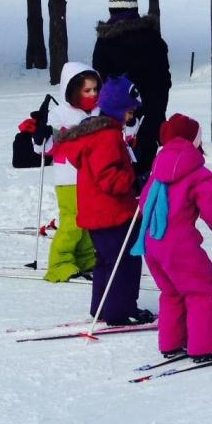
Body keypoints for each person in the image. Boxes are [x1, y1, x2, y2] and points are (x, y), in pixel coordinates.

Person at [133, 115, 212, 362]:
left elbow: (145, 202)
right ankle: (202, 347)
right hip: (180, 246)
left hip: (152, 243)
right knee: (202, 290)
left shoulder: (157, 170)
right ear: (194, 141)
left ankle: (170, 343)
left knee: (172, 292)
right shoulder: (198, 173)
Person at [53, 75, 152, 326]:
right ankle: (119, 311)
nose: (132, 116)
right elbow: (107, 177)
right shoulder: (106, 136)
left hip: (99, 213)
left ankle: (104, 306)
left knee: (106, 260)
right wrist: (132, 180)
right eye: (130, 111)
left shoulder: (99, 133)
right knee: (124, 260)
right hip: (111, 212)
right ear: (120, 109)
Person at [21, 60, 102, 283]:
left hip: (91, 176)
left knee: (88, 220)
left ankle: (86, 258)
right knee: (73, 221)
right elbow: (45, 148)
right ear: (73, 91)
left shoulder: (97, 112)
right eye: (87, 90)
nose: (92, 94)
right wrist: (41, 136)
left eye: (95, 89)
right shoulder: (60, 115)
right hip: (69, 177)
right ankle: (59, 262)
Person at [91, 0, 170, 184]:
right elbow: (164, 80)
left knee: (117, 174)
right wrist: (156, 110)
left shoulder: (105, 42)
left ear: (111, 11)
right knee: (146, 175)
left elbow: (99, 81)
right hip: (151, 117)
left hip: (116, 122)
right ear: (135, 9)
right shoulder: (153, 39)